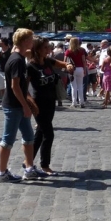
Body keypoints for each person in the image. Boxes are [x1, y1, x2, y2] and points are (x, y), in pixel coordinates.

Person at [0, 28, 42, 182]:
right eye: (31, 38)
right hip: (14, 106)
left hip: (18, 105)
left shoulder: (19, 57)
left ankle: (29, 168)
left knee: (29, 137)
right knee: (7, 139)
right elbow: (15, 87)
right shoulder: (16, 60)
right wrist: (26, 106)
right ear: (24, 41)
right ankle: (1, 173)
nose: (33, 41)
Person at [27, 36, 73, 176]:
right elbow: (23, 88)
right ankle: (45, 165)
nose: (49, 49)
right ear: (37, 49)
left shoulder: (47, 61)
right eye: (46, 47)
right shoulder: (31, 66)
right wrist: (31, 104)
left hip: (51, 101)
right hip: (38, 103)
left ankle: (28, 162)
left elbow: (62, 64)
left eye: (49, 47)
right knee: (49, 134)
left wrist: (68, 65)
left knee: (40, 133)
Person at [66, 37, 88, 108]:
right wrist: (84, 69)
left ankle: (74, 102)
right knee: (80, 86)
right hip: (80, 68)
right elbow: (84, 61)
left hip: (72, 69)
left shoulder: (68, 51)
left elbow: (65, 61)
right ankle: (82, 102)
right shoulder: (81, 50)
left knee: (73, 87)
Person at [0, 37, 11, 105]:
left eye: (0, 41)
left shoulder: (10, 51)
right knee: (1, 87)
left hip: (7, 72)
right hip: (0, 71)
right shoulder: (0, 50)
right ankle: (3, 101)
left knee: (6, 87)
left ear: (3, 42)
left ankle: (8, 101)